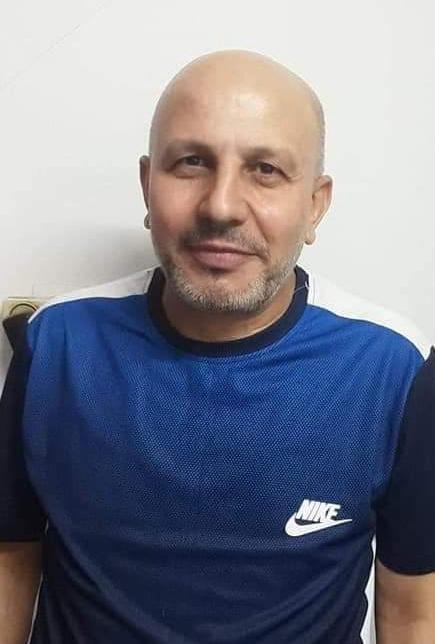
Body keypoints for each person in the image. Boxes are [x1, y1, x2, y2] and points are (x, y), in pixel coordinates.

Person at [0, 49, 434, 644]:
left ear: (315, 204)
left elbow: (412, 612)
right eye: (192, 162)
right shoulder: (56, 344)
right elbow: (9, 559)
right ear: (147, 186)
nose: (221, 206)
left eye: (265, 170)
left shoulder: (394, 368)